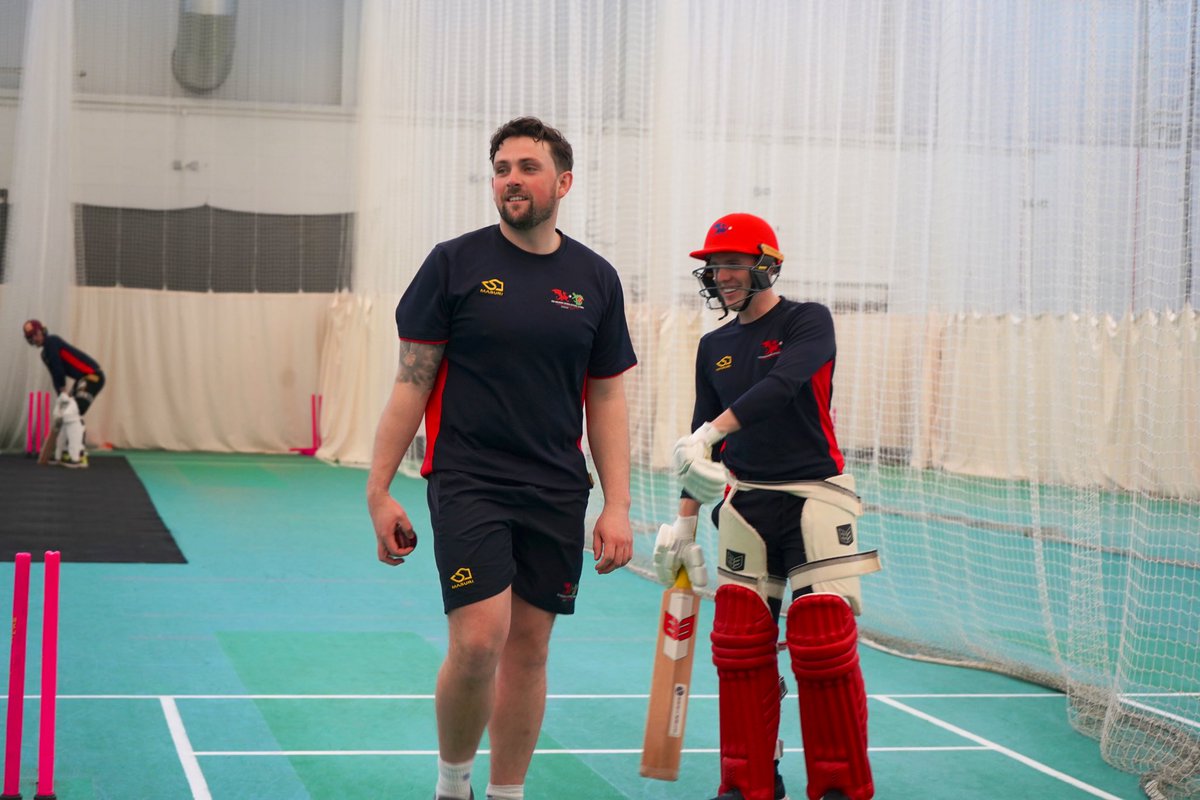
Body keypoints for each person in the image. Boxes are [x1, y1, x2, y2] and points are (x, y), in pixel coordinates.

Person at [365, 117, 637, 800]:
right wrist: (378, 492)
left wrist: (618, 504)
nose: (511, 179)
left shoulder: (596, 280)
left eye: (528, 167)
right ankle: (452, 785)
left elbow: (605, 400)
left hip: (554, 488)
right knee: (481, 639)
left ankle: (506, 792)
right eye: (502, 168)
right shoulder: (454, 264)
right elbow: (412, 382)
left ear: (563, 183)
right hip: (469, 479)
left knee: (529, 649)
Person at [653, 213, 880, 800]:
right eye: (715, 265)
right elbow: (702, 442)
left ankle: (838, 785)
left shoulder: (808, 321)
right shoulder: (715, 345)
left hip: (815, 498)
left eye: (732, 263)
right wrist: (683, 525)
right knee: (738, 645)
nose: (722, 275)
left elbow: (781, 387)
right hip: (745, 501)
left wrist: (708, 433)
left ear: (765, 265)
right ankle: (747, 781)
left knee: (822, 644)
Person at [22, 319, 106, 468]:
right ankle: (64, 453)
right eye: (31, 337)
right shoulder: (44, 354)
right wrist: (62, 395)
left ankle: (77, 457)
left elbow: (58, 368)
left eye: (36, 334)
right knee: (63, 413)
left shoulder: (51, 342)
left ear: (42, 331)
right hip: (82, 379)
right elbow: (55, 375)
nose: (34, 339)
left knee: (71, 412)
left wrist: (63, 390)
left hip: (93, 376)